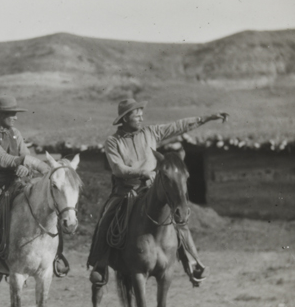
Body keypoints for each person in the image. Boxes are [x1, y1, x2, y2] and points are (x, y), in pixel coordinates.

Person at [87, 95, 229, 287]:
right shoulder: (113, 141)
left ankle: (193, 263)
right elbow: (118, 169)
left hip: (151, 187)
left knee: (177, 215)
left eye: (141, 114)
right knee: (107, 215)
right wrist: (142, 172)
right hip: (126, 189)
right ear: (125, 118)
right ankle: (100, 264)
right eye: (137, 115)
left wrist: (207, 117)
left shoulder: (151, 132)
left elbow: (178, 125)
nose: (141, 118)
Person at [0, 96, 50, 282]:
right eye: (11, 114)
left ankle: (54, 256)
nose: (15, 117)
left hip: (17, 181)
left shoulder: (16, 132)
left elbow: (25, 154)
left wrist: (40, 169)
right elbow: (2, 158)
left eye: (15, 114)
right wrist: (19, 164)